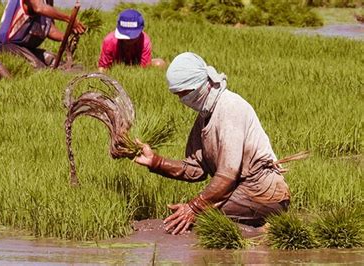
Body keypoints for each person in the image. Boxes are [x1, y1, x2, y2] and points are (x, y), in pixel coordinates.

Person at [134, 52, 291, 235]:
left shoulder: (230, 107)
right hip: (239, 191)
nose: (181, 100)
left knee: (199, 221)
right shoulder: (205, 115)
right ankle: (260, 230)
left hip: (262, 192)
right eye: (178, 95)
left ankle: (263, 233)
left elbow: (227, 174)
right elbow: (196, 169)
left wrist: (194, 207)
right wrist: (156, 162)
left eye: (183, 94)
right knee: (197, 218)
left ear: (198, 87)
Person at [0, 0, 85, 69]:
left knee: (56, 62)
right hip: (8, 46)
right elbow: (38, 7)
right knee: (41, 69)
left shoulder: (47, 1)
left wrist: (66, 38)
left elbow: (49, 29)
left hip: (26, 48)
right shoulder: (37, 4)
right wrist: (68, 19)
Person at [98, 9, 165, 72]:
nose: (128, 39)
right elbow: (103, 67)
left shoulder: (145, 41)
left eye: (132, 36)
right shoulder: (109, 40)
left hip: (136, 66)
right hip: (115, 67)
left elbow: (145, 67)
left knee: (159, 63)